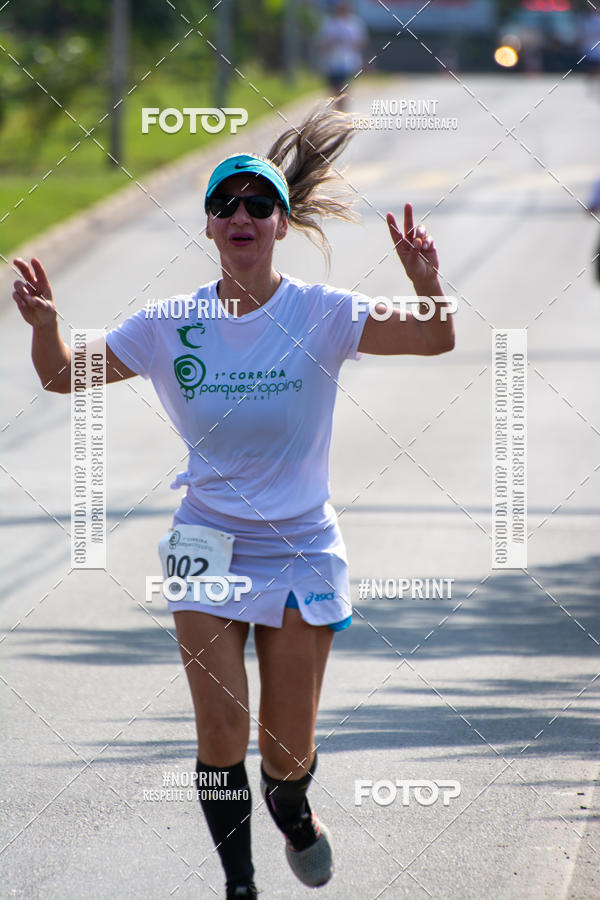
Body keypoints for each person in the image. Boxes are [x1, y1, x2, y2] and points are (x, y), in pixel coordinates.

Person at [12, 105, 455, 899]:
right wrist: (47, 329)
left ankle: (291, 803)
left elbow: (433, 339)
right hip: (207, 541)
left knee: (284, 752)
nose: (242, 215)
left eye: (259, 204)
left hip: (299, 547)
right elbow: (60, 375)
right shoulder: (170, 323)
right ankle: (240, 886)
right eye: (227, 204)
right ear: (210, 227)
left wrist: (428, 288)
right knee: (220, 734)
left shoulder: (322, 313)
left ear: (281, 224)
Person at [316, 1, 367, 111]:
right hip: (332, 63)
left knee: (343, 90)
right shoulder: (329, 23)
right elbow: (322, 44)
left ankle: (342, 113)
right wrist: (333, 42)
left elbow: (361, 42)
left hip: (348, 63)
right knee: (334, 91)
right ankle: (336, 112)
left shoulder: (355, 23)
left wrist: (348, 41)